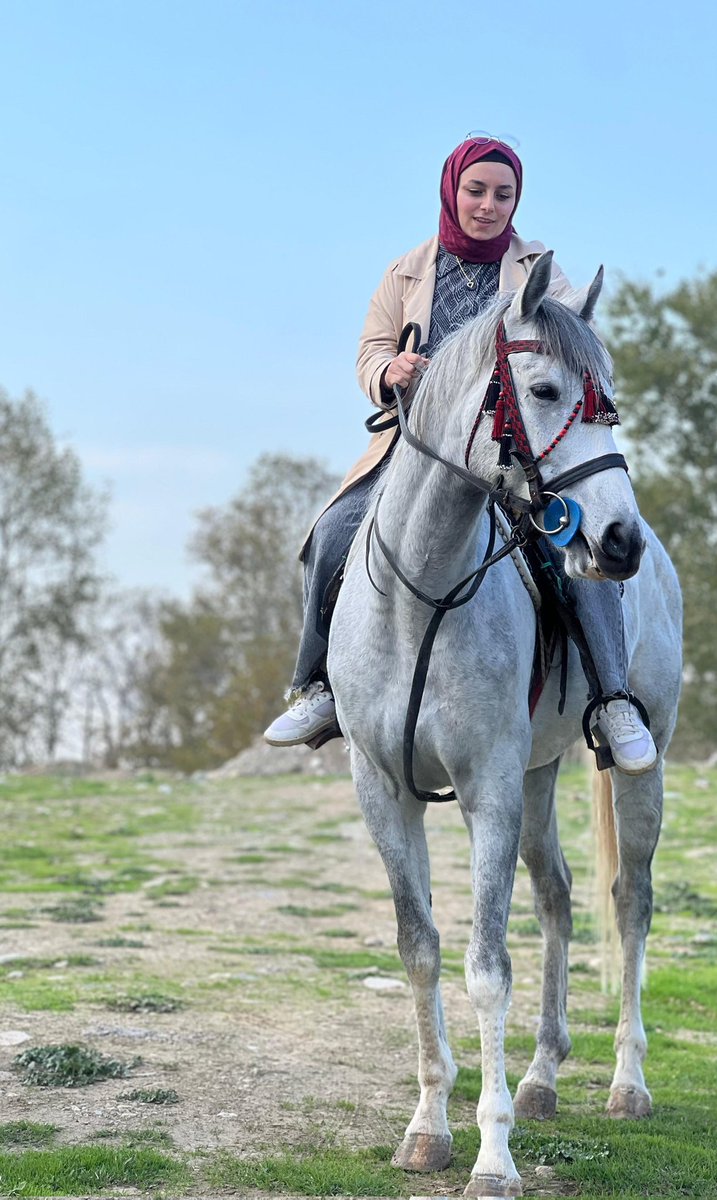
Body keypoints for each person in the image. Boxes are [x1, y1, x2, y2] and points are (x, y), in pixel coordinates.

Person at [264, 134, 657, 775]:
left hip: (515, 452)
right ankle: (318, 687)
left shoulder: (542, 273)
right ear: (452, 191)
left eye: (503, 194)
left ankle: (613, 699)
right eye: (476, 191)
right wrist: (389, 369)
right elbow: (368, 350)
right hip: (414, 448)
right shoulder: (405, 271)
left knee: (575, 544)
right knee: (333, 531)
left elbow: (569, 354)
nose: (488, 205)